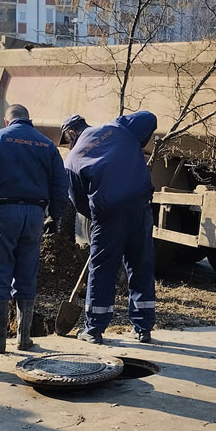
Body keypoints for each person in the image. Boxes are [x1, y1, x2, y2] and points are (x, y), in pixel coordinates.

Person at [0, 104, 69, 353]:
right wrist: (55, 215)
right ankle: (23, 339)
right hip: (34, 214)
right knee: (27, 271)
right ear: (28, 118)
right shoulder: (46, 145)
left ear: (7, 119)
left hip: (4, 211)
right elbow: (60, 183)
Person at [64, 111, 158, 344]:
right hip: (140, 207)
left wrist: (98, 217)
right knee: (141, 265)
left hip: (108, 215)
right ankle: (143, 328)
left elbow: (78, 201)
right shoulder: (118, 128)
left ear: (71, 133)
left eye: (67, 140)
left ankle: (94, 330)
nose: (68, 145)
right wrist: (135, 142)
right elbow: (149, 118)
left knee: (103, 270)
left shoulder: (74, 158)